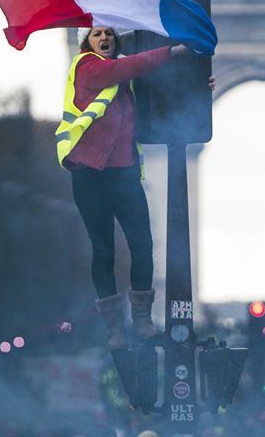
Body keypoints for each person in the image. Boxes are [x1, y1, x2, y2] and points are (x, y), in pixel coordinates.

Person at [57, 26, 212, 349]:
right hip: (90, 172)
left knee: (143, 246)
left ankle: (141, 321)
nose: (104, 39)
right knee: (104, 250)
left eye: (110, 36)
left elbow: (160, 97)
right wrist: (172, 51)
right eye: (97, 35)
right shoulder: (87, 68)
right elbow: (129, 66)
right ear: (86, 43)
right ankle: (115, 327)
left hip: (123, 174)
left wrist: (198, 89)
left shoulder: (124, 83)